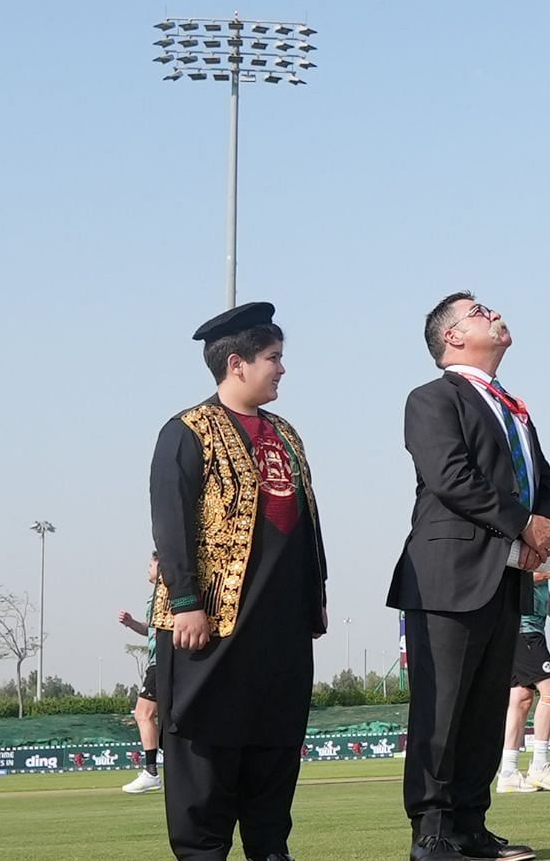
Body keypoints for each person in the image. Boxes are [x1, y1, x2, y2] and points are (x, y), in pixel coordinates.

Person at [149, 302, 329, 861]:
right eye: (273, 358)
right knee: (206, 749)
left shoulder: (286, 434)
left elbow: (306, 524)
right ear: (237, 364)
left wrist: (313, 599)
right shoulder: (187, 430)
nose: (281, 369)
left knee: (275, 749)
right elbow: (171, 521)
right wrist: (185, 602)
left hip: (280, 629)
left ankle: (271, 851)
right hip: (211, 624)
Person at [389, 293, 550, 861]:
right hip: (448, 576)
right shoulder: (432, 398)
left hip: (506, 578)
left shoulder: (512, 406)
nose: (497, 313)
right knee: (441, 711)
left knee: (485, 710)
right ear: (453, 338)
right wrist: (523, 527)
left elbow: (544, 479)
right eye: (480, 311)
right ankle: (431, 833)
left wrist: (546, 523)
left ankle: (469, 827)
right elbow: (451, 476)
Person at [497, 558, 550, 794]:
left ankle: (509, 771)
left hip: (533, 628)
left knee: (521, 697)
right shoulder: (511, 545)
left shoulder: (536, 550)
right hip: (522, 629)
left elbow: (541, 589)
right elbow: (507, 584)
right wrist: (544, 574)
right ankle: (540, 766)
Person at [118, 551, 164, 794]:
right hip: (162, 662)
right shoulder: (155, 596)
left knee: (143, 714)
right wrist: (132, 623)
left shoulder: (165, 593)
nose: (148, 568)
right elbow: (151, 630)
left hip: (162, 663)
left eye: (151, 564)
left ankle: (151, 772)